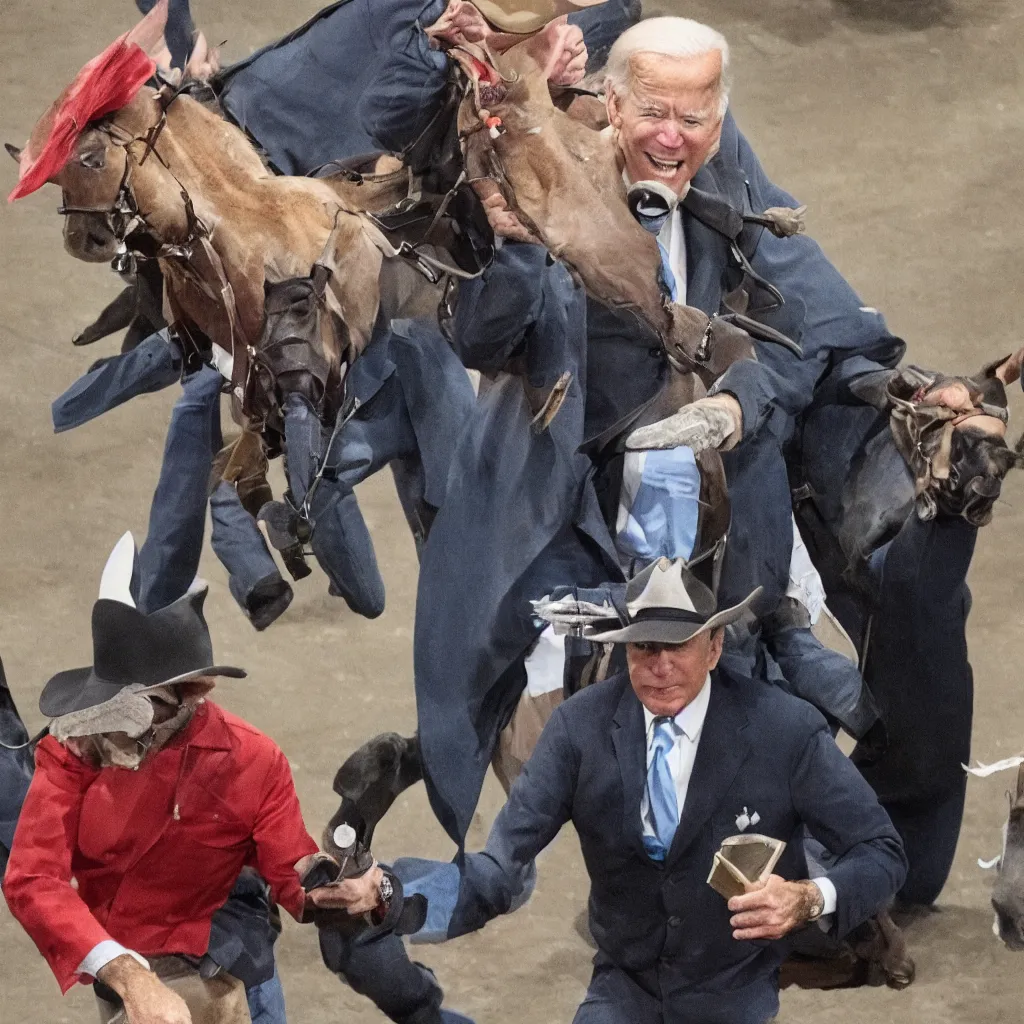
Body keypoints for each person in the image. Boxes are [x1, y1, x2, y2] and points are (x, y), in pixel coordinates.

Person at [345, 558, 907, 1023]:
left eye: (677, 647)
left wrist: (810, 898)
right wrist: (389, 897)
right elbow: (498, 868)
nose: (659, 667)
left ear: (713, 648)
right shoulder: (578, 730)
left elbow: (881, 850)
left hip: (731, 998)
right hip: (623, 991)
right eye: (643, 649)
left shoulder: (784, 731)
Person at [2, 535, 402, 1024]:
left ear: (191, 693)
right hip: (125, 973)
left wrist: (351, 890)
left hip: (224, 960)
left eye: (129, 709)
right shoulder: (76, 751)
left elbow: (295, 880)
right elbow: (33, 880)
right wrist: (128, 973)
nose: (106, 728)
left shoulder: (251, 761)